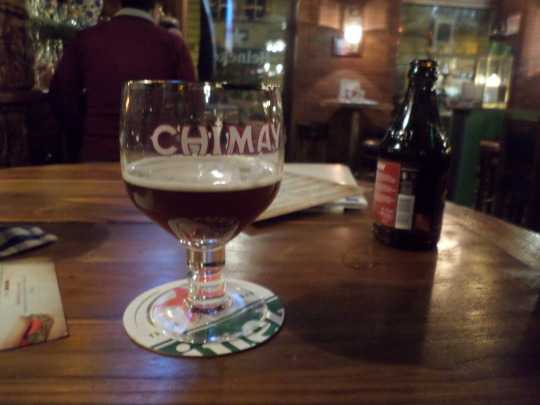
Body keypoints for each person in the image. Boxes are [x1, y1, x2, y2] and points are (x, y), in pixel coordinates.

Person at [49, 0, 197, 162]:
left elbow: (60, 94)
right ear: (155, 7)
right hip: (155, 155)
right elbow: (192, 104)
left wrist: (80, 135)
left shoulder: (87, 39)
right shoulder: (172, 44)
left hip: (99, 151)